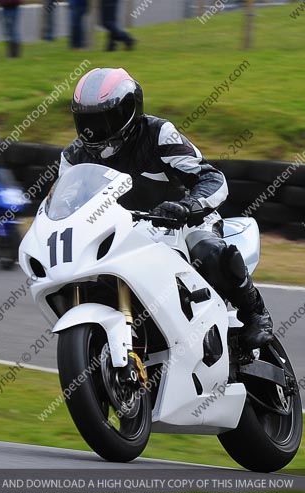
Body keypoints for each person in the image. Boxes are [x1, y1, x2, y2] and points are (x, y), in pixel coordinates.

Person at [59, 68, 273, 349]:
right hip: (121, 233)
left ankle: (255, 312)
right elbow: (64, 204)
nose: (97, 130)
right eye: (88, 121)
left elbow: (211, 177)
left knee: (208, 250)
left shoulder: (158, 134)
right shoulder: (73, 156)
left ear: (130, 111)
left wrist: (189, 206)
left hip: (182, 222)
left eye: (106, 119)